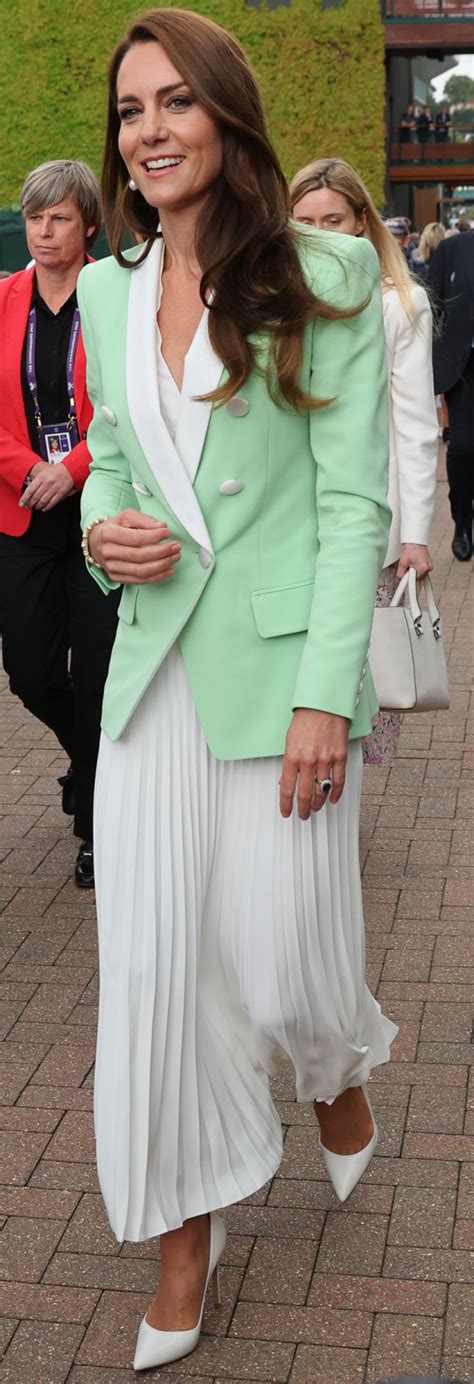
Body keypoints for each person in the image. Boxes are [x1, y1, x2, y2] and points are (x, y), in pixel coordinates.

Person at [78, 7, 396, 1370]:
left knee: (277, 974)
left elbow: (353, 505)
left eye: (175, 102)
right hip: (152, 681)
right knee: (154, 974)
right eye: (130, 110)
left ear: (225, 111)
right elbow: (111, 459)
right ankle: (181, 1242)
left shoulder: (324, 272)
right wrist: (103, 535)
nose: (149, 130)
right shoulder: (109, 291)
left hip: (282, 684)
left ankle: (333, 1069)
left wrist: (328, 695)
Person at [290, 158, 438, 765]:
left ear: (359, 222)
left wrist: (416, 534)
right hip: (288, 514)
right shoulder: (273, 299)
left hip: (368, 520)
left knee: (355, 679)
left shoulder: (401, 303)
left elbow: (416, 427)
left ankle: (336, 803)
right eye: (304, 222)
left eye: (333, 220)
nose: (320, 233)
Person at [0, 160, 120, 888]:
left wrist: (71, 469)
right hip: (21, 515)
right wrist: (26, 470)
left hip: (102, 513)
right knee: (33, 672)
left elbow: (129, 406)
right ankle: (89, 761)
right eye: (35, 217)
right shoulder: (2, 298)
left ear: (89, 227)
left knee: (100, 676)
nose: (44, 231)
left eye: (60, 218)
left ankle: (98, 826)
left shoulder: (116, 296)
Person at [428, 228, 474, 560]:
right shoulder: (452, 249)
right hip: (463, 365)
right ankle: (462, 521)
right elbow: (429, 308)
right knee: (463, 446)